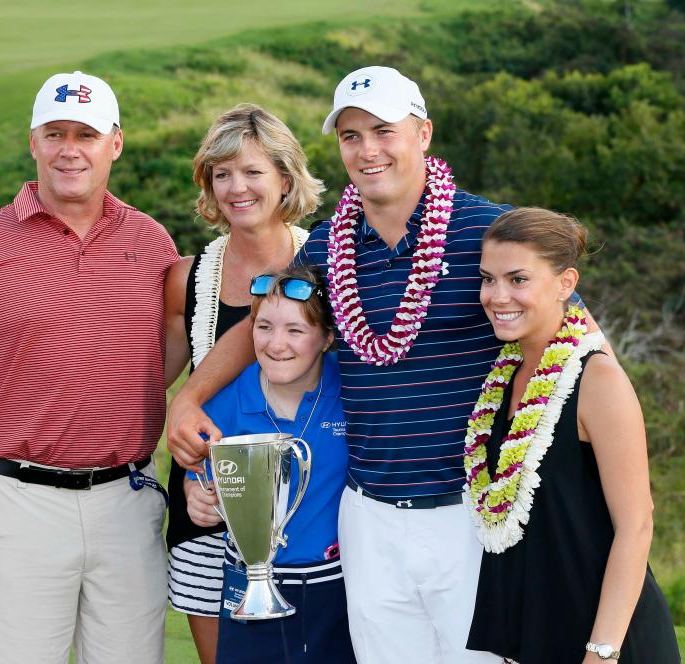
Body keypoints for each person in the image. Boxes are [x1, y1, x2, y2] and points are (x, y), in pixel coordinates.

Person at [168, 66, 557, 663]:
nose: (368, 150)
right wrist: (190, 399)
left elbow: (567, 341)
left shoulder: (489, 230)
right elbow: (259, 326)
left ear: (423, 133)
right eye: (351, 136)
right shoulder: (329, 245)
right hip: (368, 519)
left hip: (466, 513)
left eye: (383, 130)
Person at [0, 71, 177, 663]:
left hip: (127, 501)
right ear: (33, 142)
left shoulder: (149, 241)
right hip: (17, 502)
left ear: (115, 143)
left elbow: (164, 351)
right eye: (54, 133)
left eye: (86, 134)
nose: (70, 149)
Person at [465, 208, 680, 663]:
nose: (497, 295)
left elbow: (636, 525)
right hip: (536, 634)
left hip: (607, 637)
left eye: (518, 279)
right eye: (488, 278)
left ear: (566, 284)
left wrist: (601, 652)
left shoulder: (597, 379)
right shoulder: (502, 379)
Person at [164, 103, 323, 664]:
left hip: (313, 504)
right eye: (222, 173)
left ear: (285, 177)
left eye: (253, 171)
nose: (237, 187)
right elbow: (153, 379)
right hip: (204, 502)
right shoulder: (186, 278)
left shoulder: (329, 264)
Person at [185, 266, 355, 664]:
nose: (277, 344)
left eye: (295, 330)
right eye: (264, 327)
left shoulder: (351, 390)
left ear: (327, 337)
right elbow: (198, 478)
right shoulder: (224, 402)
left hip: (336, 587)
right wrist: (197, 497)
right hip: (248, 584)